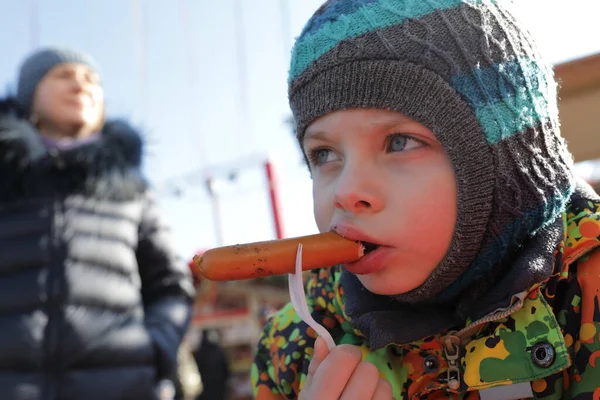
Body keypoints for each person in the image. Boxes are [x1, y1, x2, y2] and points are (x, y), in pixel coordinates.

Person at [252, 0, 600, 399]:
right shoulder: (290, 346)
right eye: (324, 154)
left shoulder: (590, 291)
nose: (346, 192)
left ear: (505, 160)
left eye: (399, 143)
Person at [0, 48, 195, 399]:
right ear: (29, 96)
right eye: (63, 75)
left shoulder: (133, 192)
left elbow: (170, 285)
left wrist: (153, 352)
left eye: (91, 79)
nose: (80, 85)